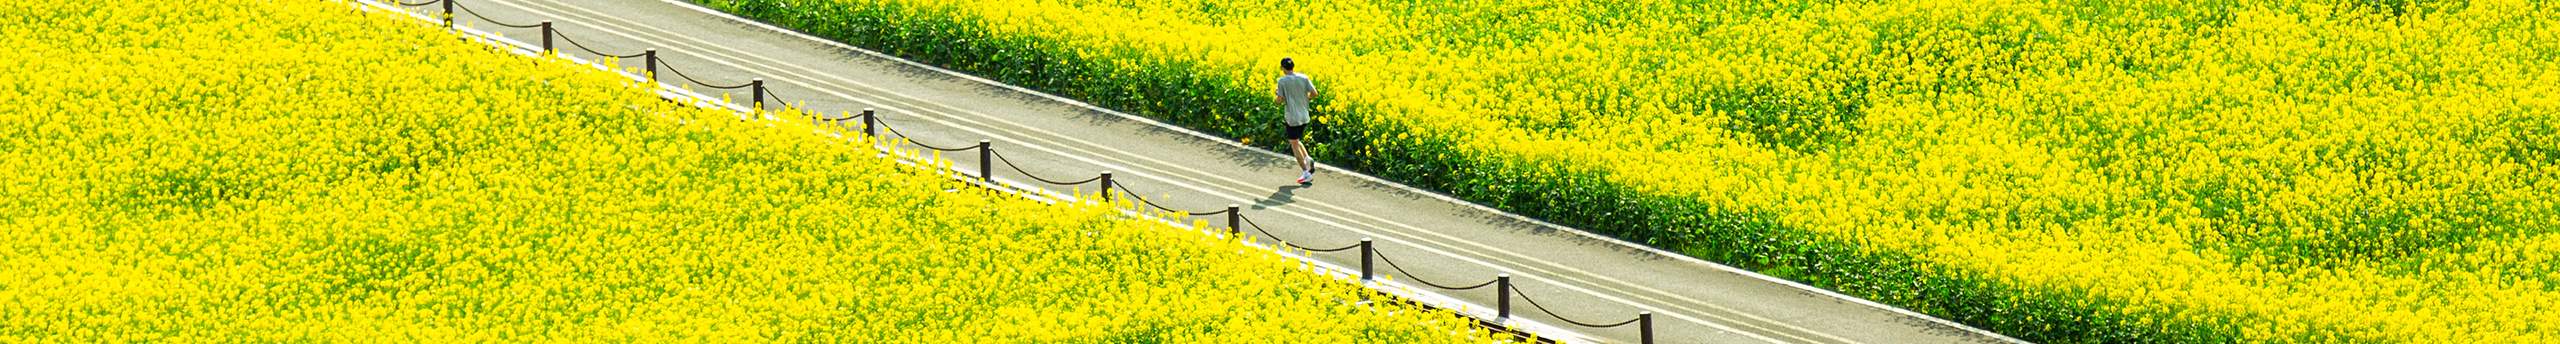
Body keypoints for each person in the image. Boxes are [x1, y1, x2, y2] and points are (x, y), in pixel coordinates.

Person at [1273, 57, 1319, 184]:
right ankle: (1307, 158)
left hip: (1293, 118)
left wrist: (1277, 93)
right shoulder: (1303, 77)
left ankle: (1306, 173)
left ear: (1282, 68)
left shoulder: (1282, 81)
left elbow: (1279, 101)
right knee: (1297, 140)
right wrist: (1304, 100)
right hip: (1304, 116)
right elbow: (1314, 93)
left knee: (1294, 144)